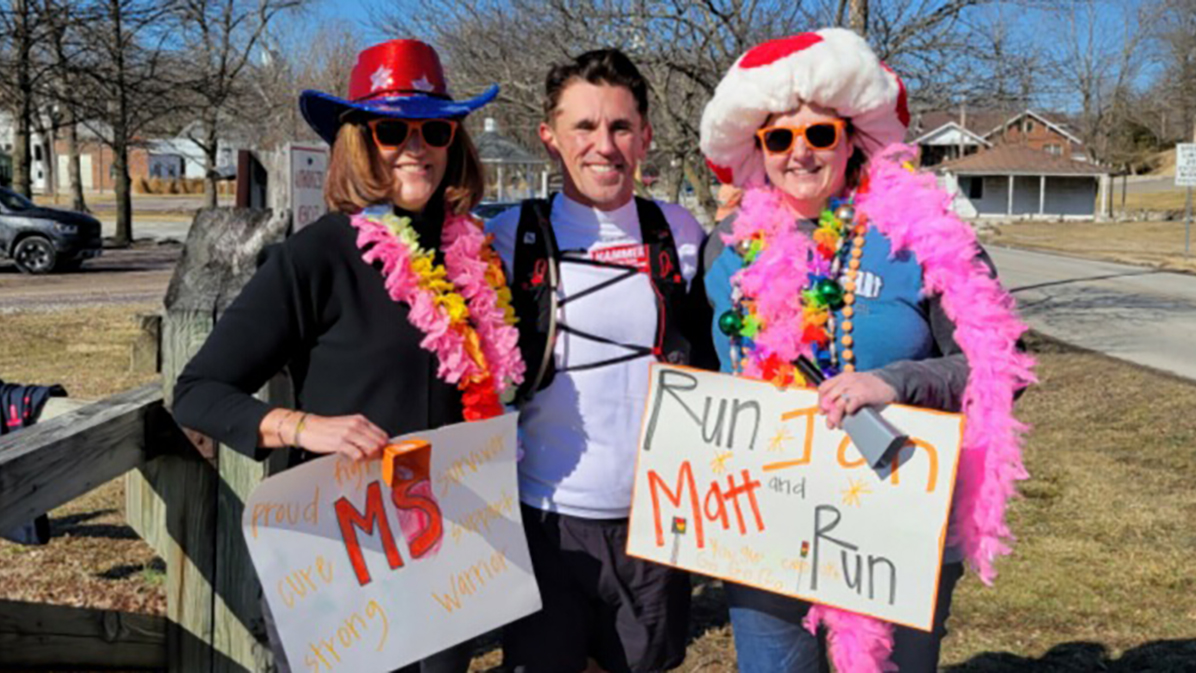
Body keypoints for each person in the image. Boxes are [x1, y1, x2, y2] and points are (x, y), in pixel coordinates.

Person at [172, 39, 523, 673]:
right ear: (360, 140)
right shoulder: (318, 255)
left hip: (447, 544)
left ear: (455, 142)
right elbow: (197, 389)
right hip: (340, 547)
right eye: (392, 129)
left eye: (436, 129)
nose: (415, 146)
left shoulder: (476, 257)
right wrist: (306, 428)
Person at [697, 29, 1035, 673]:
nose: (799, 153)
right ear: (758, 150)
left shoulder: (922, 237)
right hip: (761, 522)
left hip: (894, 520)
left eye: (818, 134)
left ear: (851, 138)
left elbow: (1001, 365)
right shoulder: (724, 250)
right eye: (779, 137)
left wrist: (897, 382)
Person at [485, 49, 714, 673]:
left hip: (654, 523)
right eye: (583, 126)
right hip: (541, 519)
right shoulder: (508, 237)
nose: (603, 145)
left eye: (619, 126)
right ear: (550, 136)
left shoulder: (681, 232)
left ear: (645, 135)